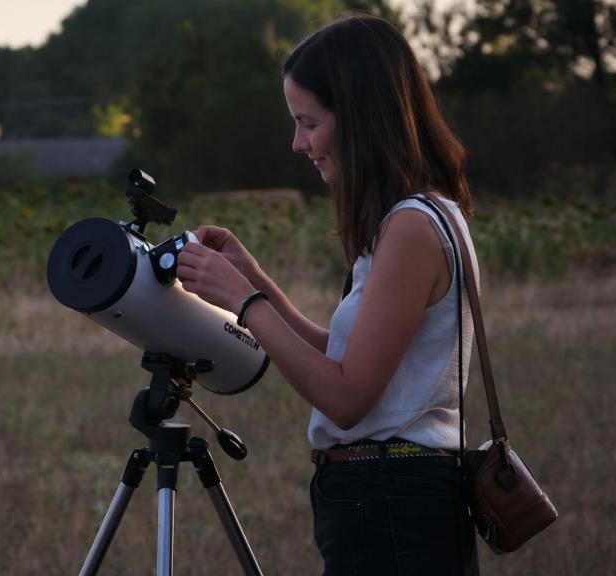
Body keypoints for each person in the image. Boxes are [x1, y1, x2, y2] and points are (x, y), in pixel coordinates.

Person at [175, 13, 480, 576]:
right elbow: (342, 359)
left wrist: (243, 300)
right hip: (388, 499)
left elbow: (345, 398)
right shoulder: (415, 217)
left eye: (308, 123)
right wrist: (254, 279)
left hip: (392, 503)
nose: (297, 143)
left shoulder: (412, 228)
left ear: (360, 118)